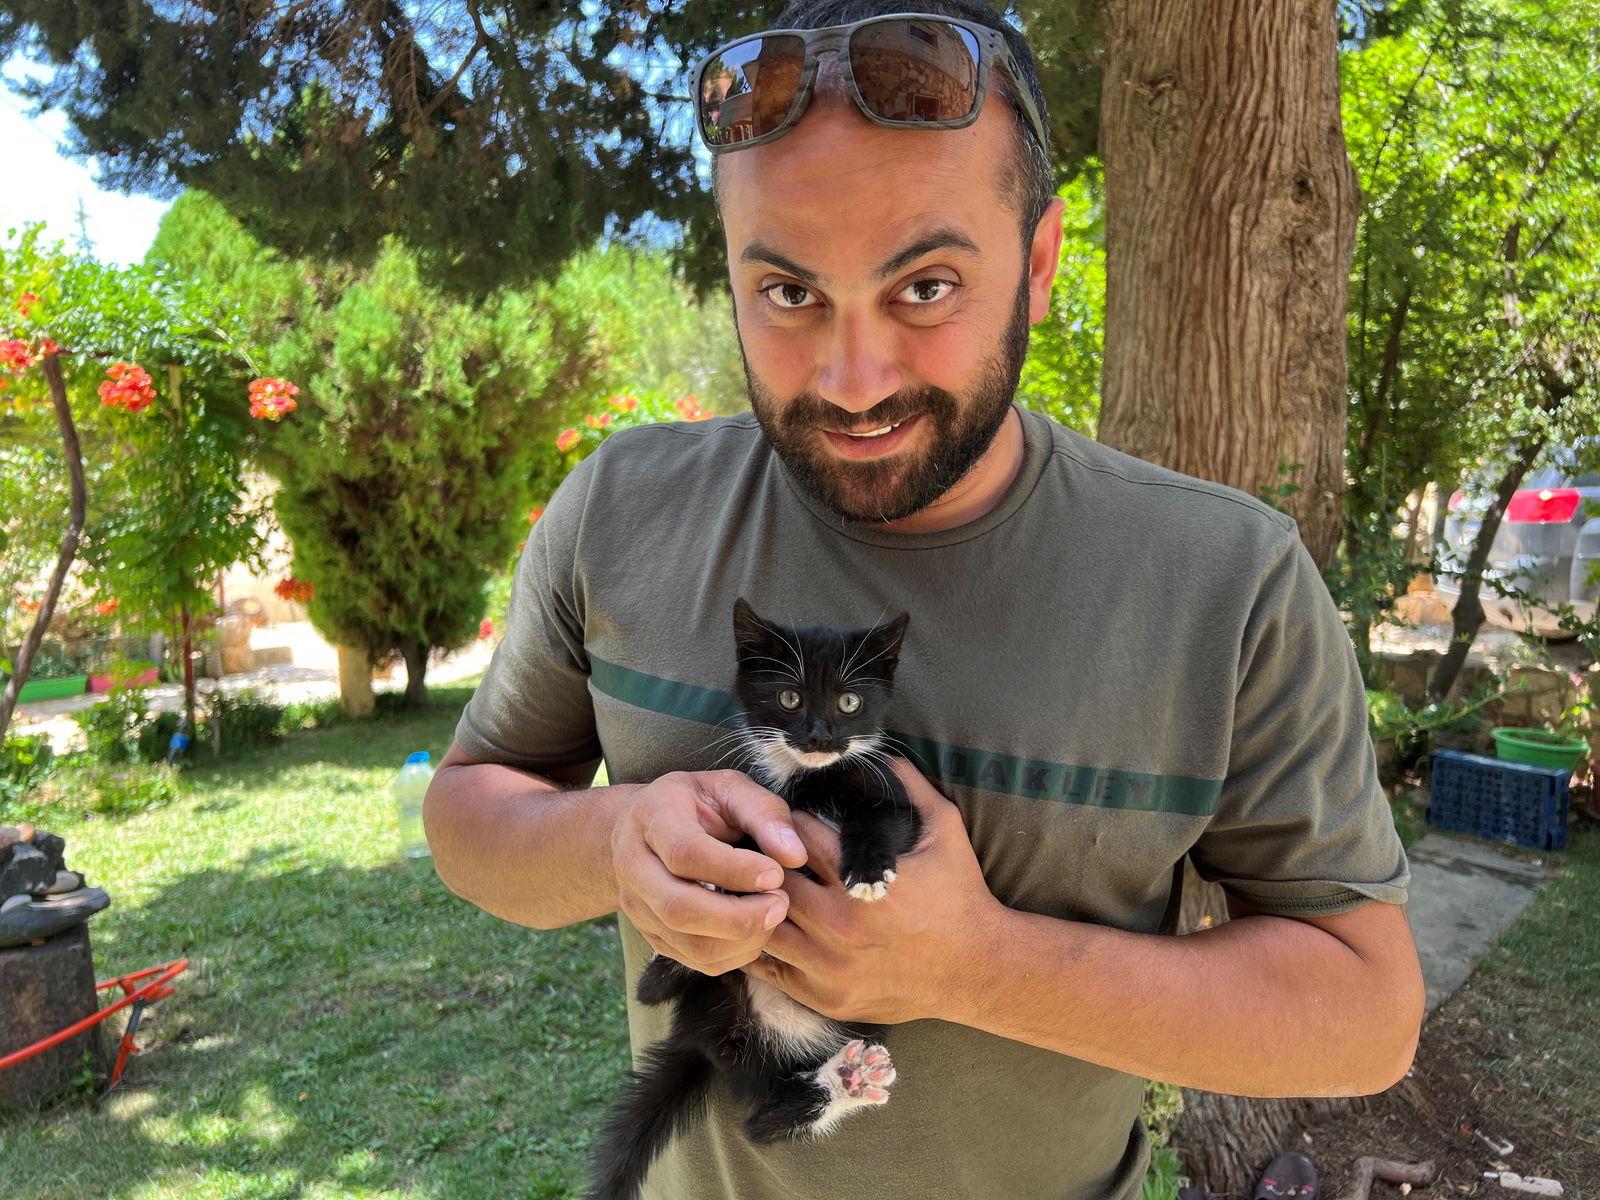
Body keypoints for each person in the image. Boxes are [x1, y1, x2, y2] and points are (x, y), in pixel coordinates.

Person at [424, 2, 1426, 1196]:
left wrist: (979, 965)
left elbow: (1366, 1015)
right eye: (788, 293)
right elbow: (470, 816)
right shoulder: (622, 511)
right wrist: (611, 841)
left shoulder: (1226, 582)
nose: (854, 382)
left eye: (927, 285)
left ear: (1041, 263)